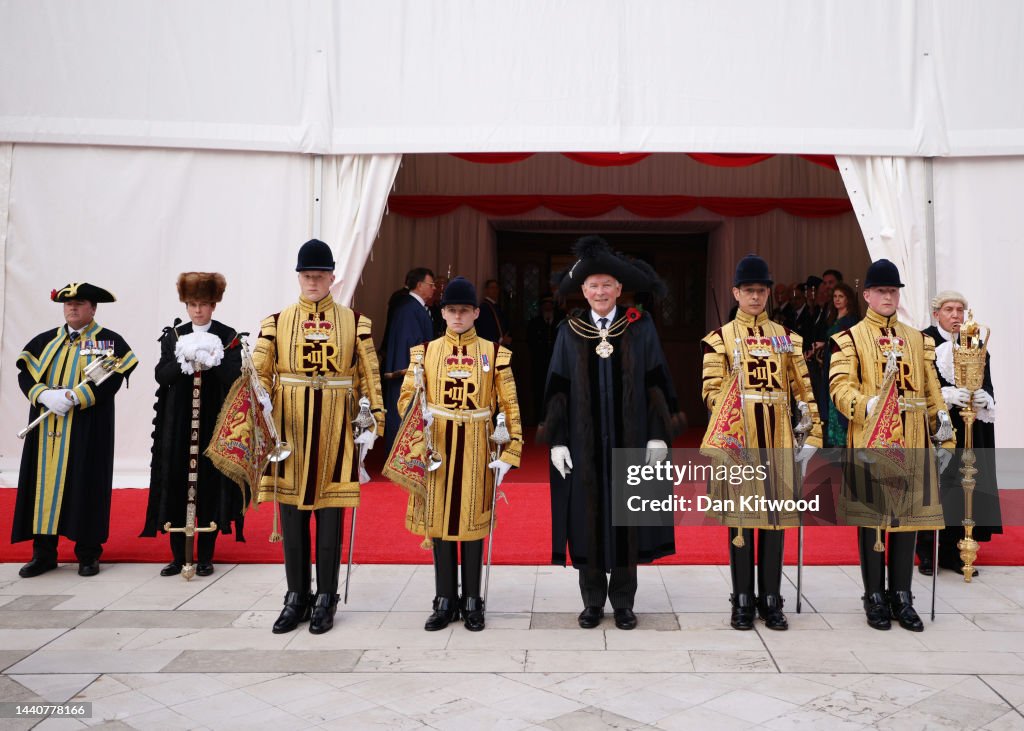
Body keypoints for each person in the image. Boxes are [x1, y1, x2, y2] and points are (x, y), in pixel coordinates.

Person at [542, 235, 680, 631]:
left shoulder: (640, 325)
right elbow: (557, 386)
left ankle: (622, 601)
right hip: (584, 445)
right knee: (586, 518)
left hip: (631, 438)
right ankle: (590, 602)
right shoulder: (570, 330)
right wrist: (557, 440)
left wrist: (658, 434)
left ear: (620, 288)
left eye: (607, 285)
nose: (600, 291)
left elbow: (657, 378)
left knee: (627, 518)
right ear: (582, 291)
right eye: (592, 285)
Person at [253, 239, 385, 635]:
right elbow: (259, 373)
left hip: (336, 427)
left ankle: (327, 596)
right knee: (291, 516)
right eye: (307, 275)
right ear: (299, 277)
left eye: (320, 275)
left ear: (332, 277)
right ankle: (297, 596)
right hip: (290, 428)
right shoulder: (275, 322)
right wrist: (259, 413)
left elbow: (369, 373)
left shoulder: (354, 321)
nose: (313, 281)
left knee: (330, 514)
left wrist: (374, 415)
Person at [392, 276, 523, 632]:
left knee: (472, 522)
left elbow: (509, 404)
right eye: (451, 310)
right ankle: (444, 598)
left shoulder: (494, 353)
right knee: (439, 522)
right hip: (438, 447)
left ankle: (472, 599)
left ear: (476, 313)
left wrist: (510, 451)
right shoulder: (425, 352)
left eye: (465, 310)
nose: (458, 316)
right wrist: (421, 411)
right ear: (443, 312)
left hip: (479, 445)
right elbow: (405, 400)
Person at [829, 259, 953, 632]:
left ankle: (902, 594)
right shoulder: (848, 338)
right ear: (866, 295)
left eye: (893, 291)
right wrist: (863, 404)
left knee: (907, 520)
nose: (888, 296)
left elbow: (931, 389)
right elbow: (838, 386)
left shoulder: (918, 339)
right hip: (871, 438)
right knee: (873, 520)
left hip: (914, 437)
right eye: (882, 291)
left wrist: (943, 426)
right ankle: (874, 595)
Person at [700, 255, 821, 631]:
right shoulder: (719, 339)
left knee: (776, 519)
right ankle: (741, 598)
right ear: (736, 293)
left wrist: (812, 432)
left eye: (761, 290)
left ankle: (771, 597)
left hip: (780, 438)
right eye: (749, 290)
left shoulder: (788, 339)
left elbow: (804, 390)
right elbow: (708, 391)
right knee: (740, 521)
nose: (755, 297)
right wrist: (731, 403)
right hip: (740, 438)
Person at [12, 282, 138, 578]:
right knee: (41, 487)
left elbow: (113, 380)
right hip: (46, 429)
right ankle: (43, 554)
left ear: (93, 309)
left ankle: (88, 554)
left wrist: (74, 398)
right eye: (68, 303)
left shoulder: (108, 343)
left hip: (86, 427)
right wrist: (44, 395)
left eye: (79, 303)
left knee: (86, 484)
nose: (72, 308)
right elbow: (25, 376)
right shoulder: (45, 341)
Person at [143, 272, 246, 577]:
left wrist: (215, 360)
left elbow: (234, 376)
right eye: (192, 304)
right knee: (176, 482)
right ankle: (178, 556)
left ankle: (205, 556)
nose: (198, 310)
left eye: (203, 304)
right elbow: (161, 375)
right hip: (178, 422)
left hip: (214, 418)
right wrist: (182, 362)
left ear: (214, 305)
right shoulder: (174, 335)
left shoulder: (228, 336)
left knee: (210, 484)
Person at [916, 290, 1001, 576]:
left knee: (961, 487)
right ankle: (927, 550)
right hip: (936, 426)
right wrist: (946, 394)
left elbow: (986, 383)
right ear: (936, 313)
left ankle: (954, 549)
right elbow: (917, 385)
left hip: (968, 427)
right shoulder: (923, 341)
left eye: (960, 310)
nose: (955, 315)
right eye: (949, 309)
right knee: (933, 487)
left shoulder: (975, 341)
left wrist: (984, 399)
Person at [382, 268, 436, 452]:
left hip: (413, 374)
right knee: (403, 414)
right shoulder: (409, 309)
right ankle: (401, 457)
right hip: (408, 375)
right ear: (420, 285)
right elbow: (411, 344)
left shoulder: (414, 307)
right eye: (431, 284)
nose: (434, 288)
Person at [823, 282, 862, 447]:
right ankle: (835, 442)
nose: (837, 300)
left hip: (844, 367)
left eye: (841, 296)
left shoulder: (852, 320)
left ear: (848, 299)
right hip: (830, 364)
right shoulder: (833, 317)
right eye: (835, 297)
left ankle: (844, 441)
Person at [526, 295, 563, 421]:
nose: (547, 306)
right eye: (545, 304)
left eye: (550, 304)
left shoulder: (560, 322)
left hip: (557, 361)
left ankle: (556, 418)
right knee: (539, 389)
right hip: (539, 362)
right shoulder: (535, 322)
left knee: (556, 389)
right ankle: (540, 418)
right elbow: (530, 341)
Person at [476, 279, 511, 346]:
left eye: (496, 288)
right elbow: (485, 329)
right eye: (492, 288)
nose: (495, 290)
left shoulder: (496, 306)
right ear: (486, 290)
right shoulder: (484, 308)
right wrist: (500, 339)